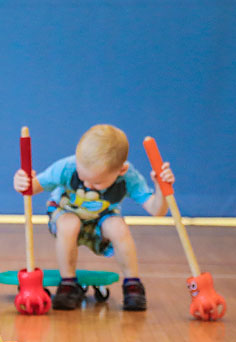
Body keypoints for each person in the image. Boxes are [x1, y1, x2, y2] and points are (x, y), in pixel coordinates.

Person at [12, 124, 175, 310]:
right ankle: (68, 283)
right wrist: (22, 182)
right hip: (66, 212)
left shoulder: (129, 178)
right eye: (83, 177)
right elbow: (32, 187)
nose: (88, 184)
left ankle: (132, 284)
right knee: (69, 224)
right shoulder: (67, 167)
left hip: (101, 219)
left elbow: (157, 211)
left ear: (121, 170)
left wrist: (162, 188)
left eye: (97, 183)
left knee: (118, 227)